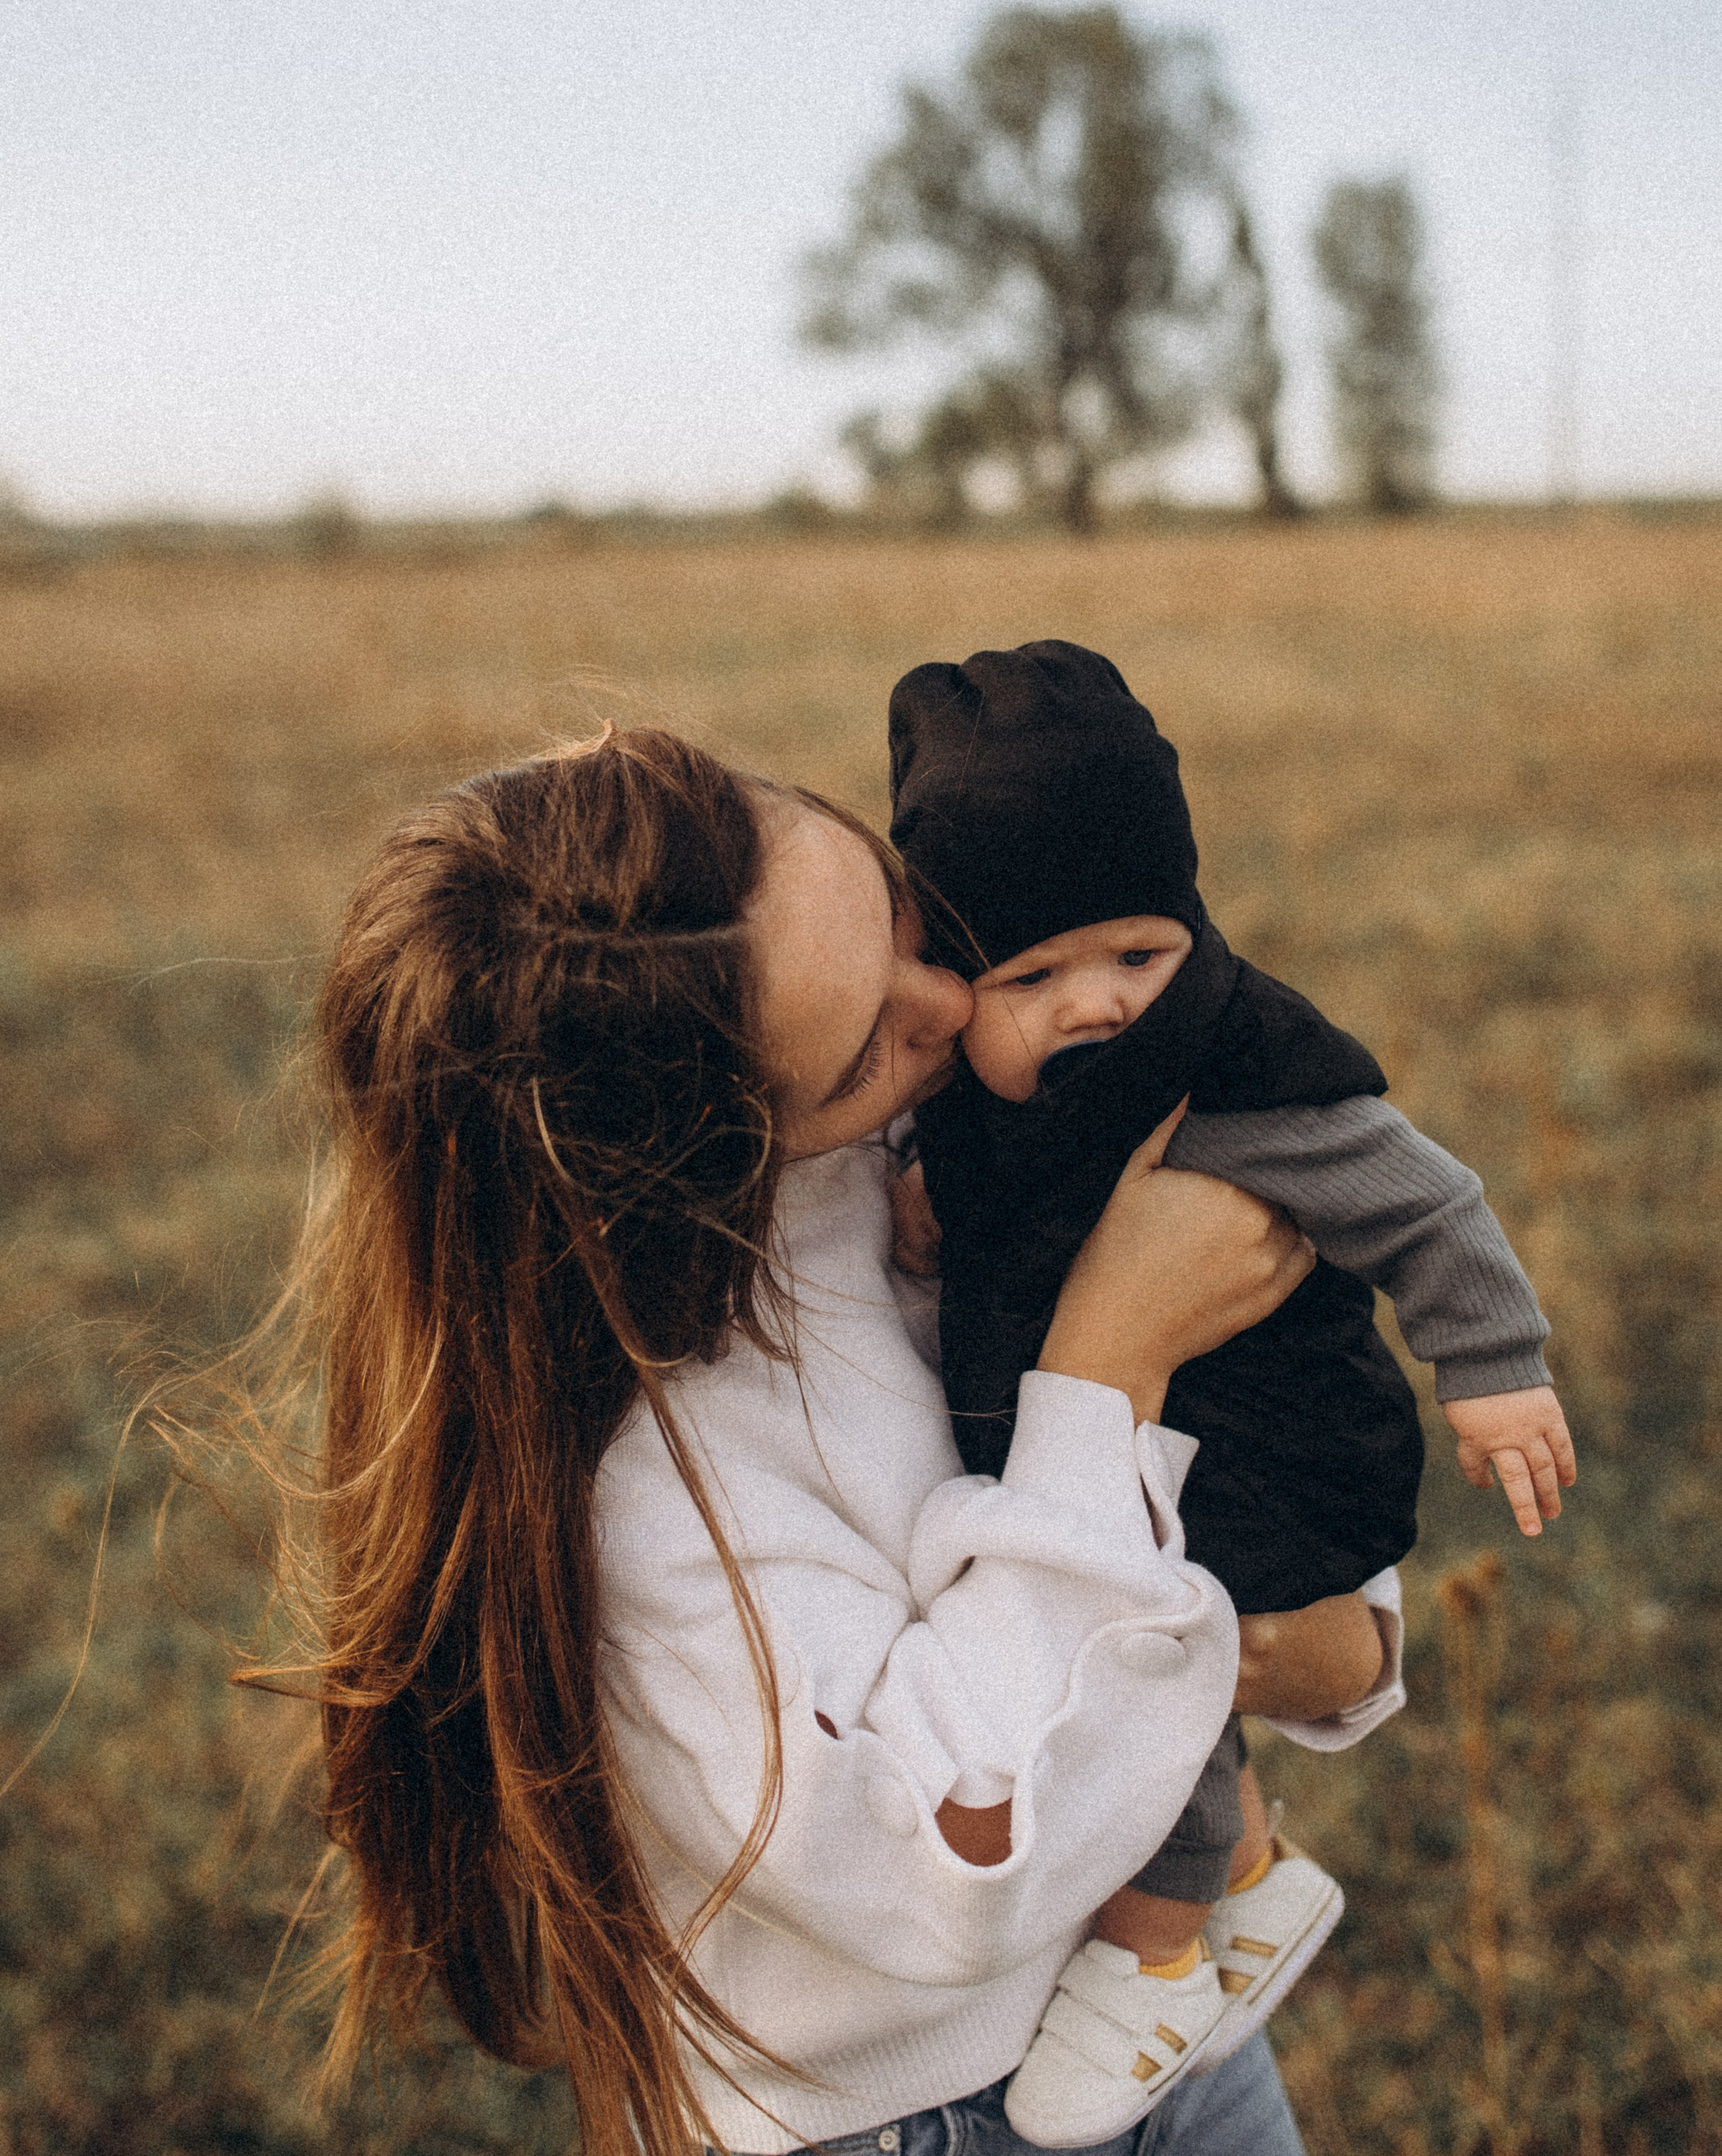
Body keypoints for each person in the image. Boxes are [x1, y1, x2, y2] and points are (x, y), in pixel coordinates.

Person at [291, 721, 1380, 2156]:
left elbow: (1288, 1548)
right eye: (866, 1046)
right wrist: (1108, 1366)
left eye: (900, 914)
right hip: (916, 2116)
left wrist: (1312, 1606)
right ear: (697, 1158)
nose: (950, 1002)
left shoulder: (934, 1150)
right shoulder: (640, 1477)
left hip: (1158, 2013)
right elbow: (955, 1851)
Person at [886, 642, 1575, 2145]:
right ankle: (1258, 1875)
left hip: (1275, 1454)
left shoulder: (1243, 1083)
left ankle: (1153, 1950)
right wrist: (930, 1193)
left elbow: (1427, 1203)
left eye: (1138, 955)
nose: (1098, 1009)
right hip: (1132, 1440)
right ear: (951, 990)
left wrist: (1494, 1368)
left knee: (1138, 1640)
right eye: (1034, 977)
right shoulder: (961, 1104)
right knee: (1111, 1599)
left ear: (1190, 927)